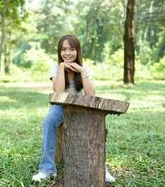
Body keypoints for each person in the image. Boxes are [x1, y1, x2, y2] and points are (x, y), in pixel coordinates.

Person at [32, 35, 115, 182]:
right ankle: (47, 170)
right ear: (59, 51)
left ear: (78, 51)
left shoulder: (85, 68)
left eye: (72, 49)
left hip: (81, 107)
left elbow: (90, 95)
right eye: (63, 49)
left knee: (96, 126)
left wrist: (82, 72)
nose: (67, 53)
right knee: (48, 123)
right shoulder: (56, 68)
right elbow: (58, 92)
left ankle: (101, 168)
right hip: (61, 107)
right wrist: (62, 67)